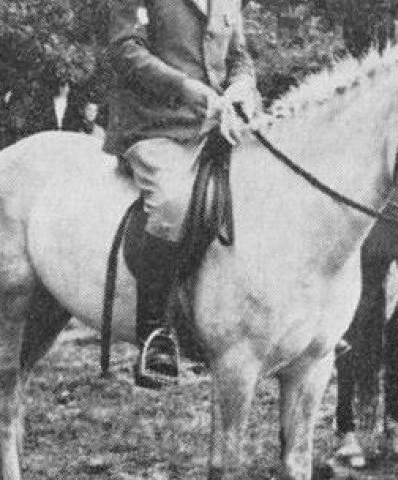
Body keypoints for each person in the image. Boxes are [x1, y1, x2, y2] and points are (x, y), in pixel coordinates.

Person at [103, 0, 259, 375]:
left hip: (219, 125)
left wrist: (240, 84)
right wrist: (186, 88)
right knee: (174, 203)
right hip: (156, 126)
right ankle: (154, 334)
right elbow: (126, 51)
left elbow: (239, 55)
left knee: (272, 187)